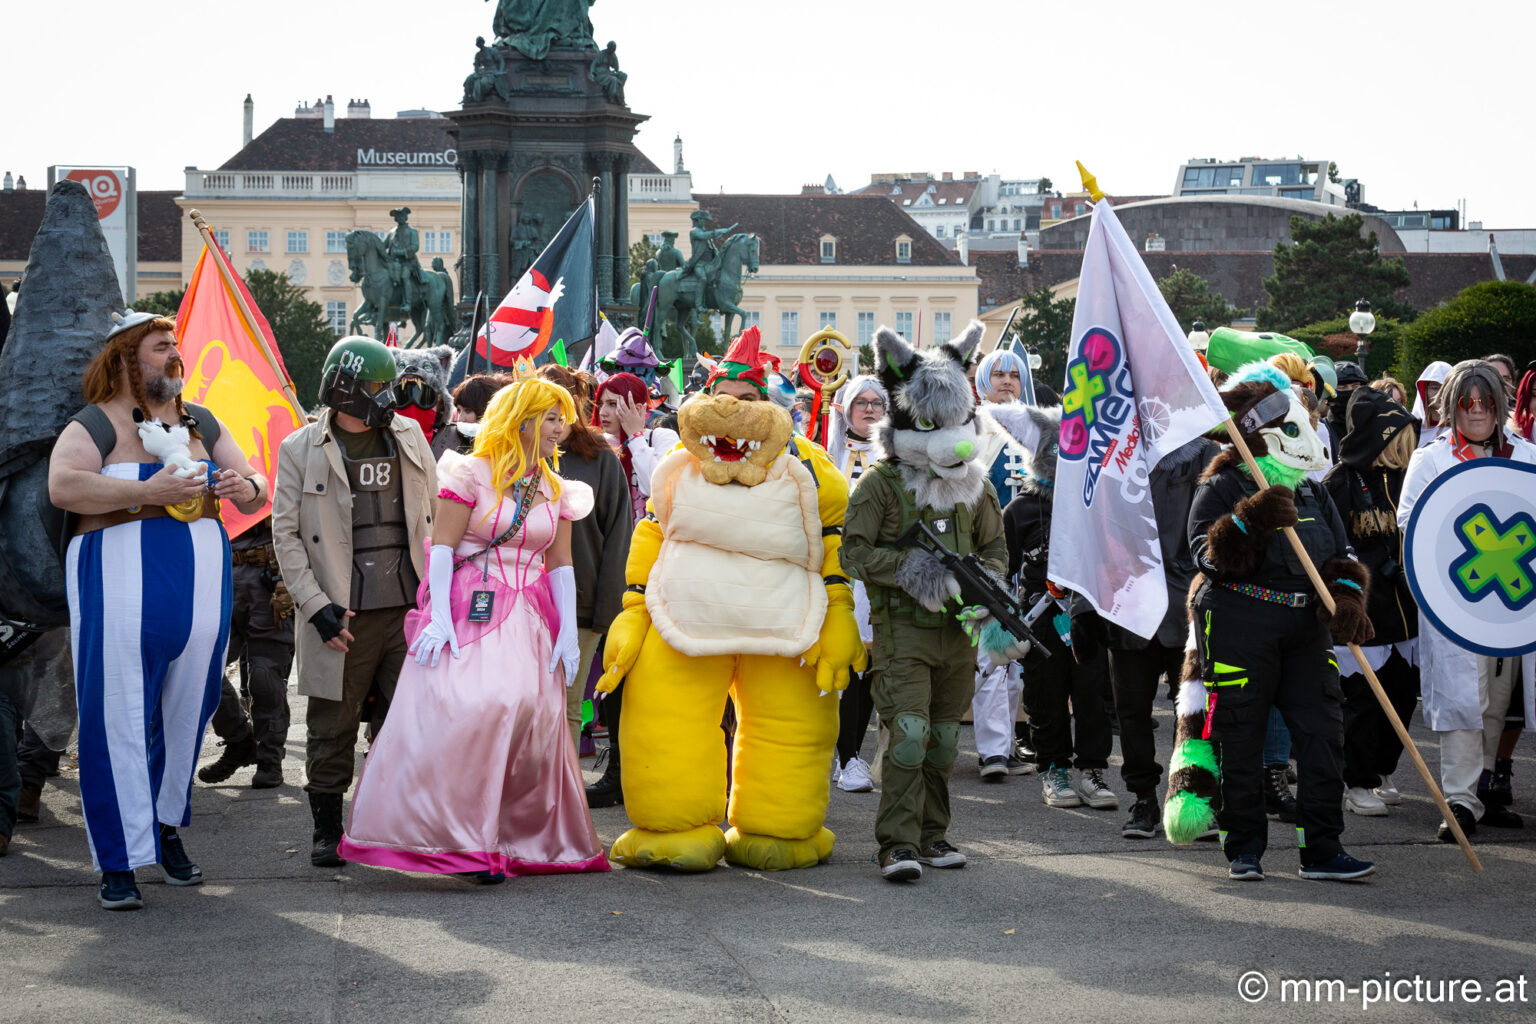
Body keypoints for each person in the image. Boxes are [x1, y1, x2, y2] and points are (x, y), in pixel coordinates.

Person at [597, 325, 863, 873]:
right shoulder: (680, 465)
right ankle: (675, 825)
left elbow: (835, 545)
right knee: (667, 720)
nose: (734, 413)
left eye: (747, 401)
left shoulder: (810, 469)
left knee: (788, 729)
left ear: (768, 406)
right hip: (684, 615)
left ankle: (780, 825)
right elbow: (652, 533)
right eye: (723, 400)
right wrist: (633, 609)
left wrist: (840, 615)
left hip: (785, 624)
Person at [338, 378, 610, 881]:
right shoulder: (469, 473)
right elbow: (441, 548)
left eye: (563, 417)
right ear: (522, 420)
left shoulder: (556, 487)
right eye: (551, 418)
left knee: (532, 721)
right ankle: (458, 841)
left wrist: (568, 632)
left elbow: (561, 563)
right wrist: (439, 615)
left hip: (530, 618)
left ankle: (512, 840)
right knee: (481, 709)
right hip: (472, 609)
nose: (563, 428)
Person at [47, 310, 268, 909]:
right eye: (159, 346)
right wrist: (147, 492)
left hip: (200, 574)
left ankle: (165, 828)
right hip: (117, 571)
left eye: (175, 346)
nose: (174, 355)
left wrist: (243, 488)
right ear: (124, 358)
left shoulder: (200, 419)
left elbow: (256, 482)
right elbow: (63, 486)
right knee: (116, 710)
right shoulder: (94, 423)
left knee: (188, 706)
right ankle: (118, 860)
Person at [1185, 361, 1377, 882]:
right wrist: (1252, 516)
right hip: (1240, 623)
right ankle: (1243, 848)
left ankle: (1322, 848)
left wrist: (1349, 601)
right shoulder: (1222, 484)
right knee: (1240, 736)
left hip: (1305, 631)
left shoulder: (1312, 490)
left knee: (1322, 736)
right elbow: (1204, 557)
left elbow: (1342, 555)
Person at [842, 321, 1008, 882]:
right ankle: (896, 844)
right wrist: (914, 570)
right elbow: (854, 554)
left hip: (957, 635)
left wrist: (985, 589)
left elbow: (995, 549)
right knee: (908, 735)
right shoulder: (881, 485)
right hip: (903, 630)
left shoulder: (975, 485)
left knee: (941, 741)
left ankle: (935, 836)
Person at [272, 336, 436, 869]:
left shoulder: (409, 435)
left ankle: (410, 824)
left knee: (416, 722)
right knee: (331, 725)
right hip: (341, 614)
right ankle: (326, 829)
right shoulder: (300, 448)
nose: (385, 397)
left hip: (410, 607)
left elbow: (436, 510)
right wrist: (314, 605)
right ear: (344, 388)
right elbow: (286, 535)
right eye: (375, 387)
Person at [1397, 359, 1536, 842]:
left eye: (1484, 402)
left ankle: (1481, 786)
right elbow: (1412, 525)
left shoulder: (1526, 456)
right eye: (1465, 402)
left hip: (1509, 605)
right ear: (1450, 406)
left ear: (1498, 405)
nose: (1475, 411)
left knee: (1497, 703)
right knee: (1462, 700)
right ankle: (1459, 800)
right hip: (1455, 602)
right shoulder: (1432, 458)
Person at [1104, 436, 1217, 838]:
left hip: (1186, 602)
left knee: (1192, 709)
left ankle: (1188, 798)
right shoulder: (1113, 453)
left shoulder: (1204, 453)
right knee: (1132, 710)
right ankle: (1144, 799)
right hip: (1128, 604)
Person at [1321, 387, 1421, 817]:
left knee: (1402, 694)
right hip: (1365, 613)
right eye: (1398, 437)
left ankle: (1381, 769)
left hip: (1407, 614)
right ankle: (1356, 780)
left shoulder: (1408, 479)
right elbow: (1328, 549)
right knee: (1360, 701)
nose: (1408, 446)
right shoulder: (1339, 482)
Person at [535, 365, 631, 759]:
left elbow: (618, 539)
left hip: (580, 606)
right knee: (523, 704)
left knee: (568, 708)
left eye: (561, 407)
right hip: (520, 604)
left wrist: (604, 613)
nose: (555, 420)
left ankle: (562, 802)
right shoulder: (518, 458)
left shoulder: (602, 461)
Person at [972, 349, 1035, 782]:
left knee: (1019, 663)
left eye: (1015, 374)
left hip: (1030, 565)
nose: (1008, 381)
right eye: (999, 375)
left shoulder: (1036, 427)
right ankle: (992, 750)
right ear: (983, 382)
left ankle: (1009, 744)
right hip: (988, 563)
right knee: (992, 659)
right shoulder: (972, 430)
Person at [196, 516, 295, 788]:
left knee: (265, 677)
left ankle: (269, 759)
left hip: (269, 577)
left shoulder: (274, 471)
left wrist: (286, 578)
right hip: (220, 575)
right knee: (201, 667)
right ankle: (240, 741)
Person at [825, 375, 888, 793]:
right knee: (831, 665)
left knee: (864, 667)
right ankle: (827, 752)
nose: (868, 409)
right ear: (845, 410)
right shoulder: (823, 456)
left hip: (876, 580)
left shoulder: (898, 459)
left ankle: (851, 757)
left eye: (876, 403)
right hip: (830, 575)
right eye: (860, 402)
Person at [594, 371, 678, 523]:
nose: (603, 412)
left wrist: (634, 436)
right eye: (600, 404)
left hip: (652, 541)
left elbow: (655, 489)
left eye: (612, 404)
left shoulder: (662, 438)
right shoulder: (597, 444)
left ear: (638, 409)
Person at [1411, 361, 1452, 448]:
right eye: (1435, 388)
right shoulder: (1411, 430)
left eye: (1446, 388)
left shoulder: (1462, 430)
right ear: (1424, 391)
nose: (1440, 394)